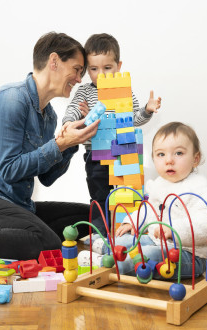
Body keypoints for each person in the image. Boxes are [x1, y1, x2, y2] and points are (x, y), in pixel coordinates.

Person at [0, 32, 100, 261]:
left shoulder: (48, 115)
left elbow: (46, 177)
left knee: (94, 216)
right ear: (54, 61)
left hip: (18, 205)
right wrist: (60, 144)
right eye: (77, 70)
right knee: (48, 242)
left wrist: (71, 144)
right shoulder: (10, 99)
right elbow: (9, 170)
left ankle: (21, 235)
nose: (79, 79)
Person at [61, 33, 162, 236]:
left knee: (127, 195)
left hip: (124, 154)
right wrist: (70, 123)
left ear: (118, 65)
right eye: (94, 69)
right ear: (87, 69)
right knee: (100, 196)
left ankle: (127, 230)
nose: (102, 74)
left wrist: (147, 110)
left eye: (107, 68)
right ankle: (99, 233)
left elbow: (134, 119)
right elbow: (72, 110)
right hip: (96, 156)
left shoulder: (125, 91)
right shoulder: (84, 92)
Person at [114, 122, 207, 278]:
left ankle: (109, 263)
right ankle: (106, 247)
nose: (169, 160)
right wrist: (132, 221)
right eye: (161, 154)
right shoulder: (160, 184)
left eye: (178, 153)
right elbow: (149, 210)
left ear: (195, 159)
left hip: (189, 255)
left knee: (148, 254)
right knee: (126, 240)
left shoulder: (201, 188)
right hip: (157, 242)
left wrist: (174, 229)